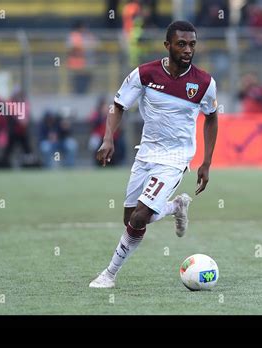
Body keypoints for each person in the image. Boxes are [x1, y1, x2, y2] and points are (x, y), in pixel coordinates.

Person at [90, 21, 218, 288]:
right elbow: (118, 105)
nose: (187, 49)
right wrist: (108, 138)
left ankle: (109, 275)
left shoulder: (204, 82)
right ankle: (175, 206)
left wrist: (206, 161)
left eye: (192, 44)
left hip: (175, 158)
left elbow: (211, 118)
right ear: (167, 45)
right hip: (146, 153)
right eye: (181, 44)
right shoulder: (145, 74)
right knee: (130, 220)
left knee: (139, 217)